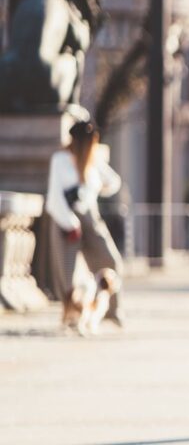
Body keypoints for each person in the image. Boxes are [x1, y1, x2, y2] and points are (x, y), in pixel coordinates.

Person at [46, 119, 126, 328]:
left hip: (90, 215)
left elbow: (114, 182)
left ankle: (111, 309)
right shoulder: (61, 160)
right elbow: (54, 197)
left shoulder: (93, 161)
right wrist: (70, 222)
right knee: (68, 272)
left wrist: (96, 188)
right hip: (66, 219)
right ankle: (73, 315)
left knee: (110, 260)